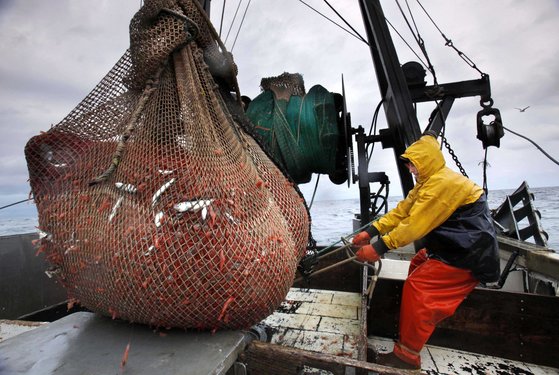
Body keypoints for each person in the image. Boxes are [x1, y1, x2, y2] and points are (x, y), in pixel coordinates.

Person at [352, 132, 500, 370]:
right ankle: (412, 328)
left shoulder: (441, 185)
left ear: (426, 161)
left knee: (418, 287)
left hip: (468, 255)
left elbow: (414, 226)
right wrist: (371, 231)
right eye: (409, 164)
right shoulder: (427, 183)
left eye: (413, 164)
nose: (410, 169)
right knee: (418, 262)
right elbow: (402, 212)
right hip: (451, 247)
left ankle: (406, 358)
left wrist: (379, 248)